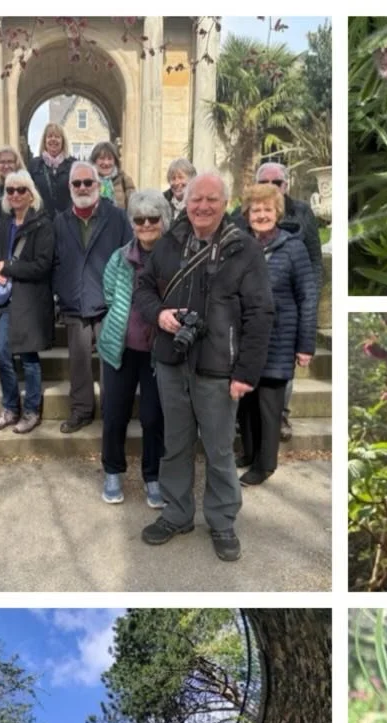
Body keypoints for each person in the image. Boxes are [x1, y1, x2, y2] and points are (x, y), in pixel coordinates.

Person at [135, 171, 274, 561]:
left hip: (218, 368)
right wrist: (159, 315)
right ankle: (178, 513)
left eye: (212, 199)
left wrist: (246, 372)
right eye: (196, 199)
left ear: (225, 203)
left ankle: (222, 520)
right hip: (171, 361)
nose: (202, 206)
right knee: (175, 444)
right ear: (186, 202)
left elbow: (261, 314)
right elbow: (142, 289)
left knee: (218, 449)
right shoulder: (169, 242)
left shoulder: (243, 249)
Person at [236, 183, 317, 486]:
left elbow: (308, 295)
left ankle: (265, 464)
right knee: (246, 400)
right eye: (255, 210)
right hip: (246, 338)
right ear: (247, 214)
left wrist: (305, 344)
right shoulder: (242, 244)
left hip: (279, 337)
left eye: (267, 210)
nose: (261, 215)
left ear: (278, 212)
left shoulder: (292, 247)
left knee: (269, 406)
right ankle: (248, 452)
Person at [96, 189, 171, 508]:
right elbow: (110, 294)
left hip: (158, 351)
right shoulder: (120, 257)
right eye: (139, 219)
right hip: (121, 348)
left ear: (163, 220)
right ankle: (113, 471)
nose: (146, 224)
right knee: (114, 414)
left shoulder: (173, 257)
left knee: (154, 417)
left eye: (153, 218)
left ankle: (153, 476)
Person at [50, 161, 131, 433]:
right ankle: (82, 411)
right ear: (69, 187)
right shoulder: (60, 221)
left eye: (88, 182)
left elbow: (129, 259)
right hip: (75, 303)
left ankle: (113, 412)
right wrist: (62, 293)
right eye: (77, 183)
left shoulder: (117, 217)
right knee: (79, 363)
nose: (83, 187)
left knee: (111, 363)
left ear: (98, 185)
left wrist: (121, 298)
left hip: (109, 304)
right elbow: (56, 261)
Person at [253, 161, 323, 442]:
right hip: (253, 310)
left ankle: (280, 415)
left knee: (284, 369)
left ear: (287, 185)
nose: (271, 188)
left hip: (288, 309)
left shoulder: (302, 212)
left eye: (277, 183)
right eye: (265, 183)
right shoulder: (243, 213)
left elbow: (315, 261)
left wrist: (310, 298)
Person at [0, 169, 54, 435]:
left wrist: (8, 267)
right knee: (2, 352)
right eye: (10, 190)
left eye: (20, 190)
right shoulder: (3, 225)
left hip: (30, 299)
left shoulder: (43, 225)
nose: (15, 195)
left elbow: (42, 265)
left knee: (28, 355)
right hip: (5, 299)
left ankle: (32, 410)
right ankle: (10, 407)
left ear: (31, 194)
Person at [29, 123, 74, 215]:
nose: (53, 139)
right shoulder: (34, 165)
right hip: (41, 220)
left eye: (57, 137)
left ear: (63, 141)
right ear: (45, 141)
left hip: (67, 219)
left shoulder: (73, 164)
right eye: (50, 136)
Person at [91, 141, 134, 210]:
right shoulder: (87, 181)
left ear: (115, 161)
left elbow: (133, 209)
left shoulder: (125, 180)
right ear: (94, 160)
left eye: (110, 158)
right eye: (102, 158)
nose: (106, 162)